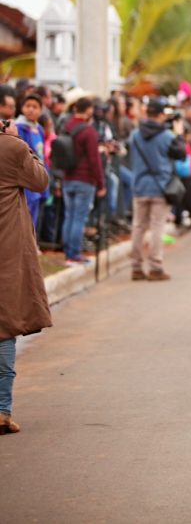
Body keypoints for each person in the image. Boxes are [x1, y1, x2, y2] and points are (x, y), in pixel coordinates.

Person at [0, 118, 53, 435]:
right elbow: (41, 182)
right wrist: (22, 142)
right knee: (5, 326)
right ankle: (2, 411)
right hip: (7, 247)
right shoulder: (12, 147)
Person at [128, 98, 187, 281]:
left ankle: (136, 267)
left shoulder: (135, 135)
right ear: (161, 115)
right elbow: (181, 154)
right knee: (156, 228)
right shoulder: (167, 136)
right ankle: (155, 268)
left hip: (139, 186)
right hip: (161, 187)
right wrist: (178, 134)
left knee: (138, 227)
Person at [61, 97, 106, 266]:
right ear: (88, 110)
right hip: (84, 179)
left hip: (67, 178)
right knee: (79, 217)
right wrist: (101, 184)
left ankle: (68, 253)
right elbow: (95, 161)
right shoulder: (89, 131)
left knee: (69, 216)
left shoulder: (66, 127)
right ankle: (74, 254)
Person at [14, 94, 49, 229]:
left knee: (34, 217)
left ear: (41, 110)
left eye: (35, 107)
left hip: (38, 176)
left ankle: (31, 246)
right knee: (24, 218)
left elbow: (42, 155)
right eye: (28, 106)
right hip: (25, 180)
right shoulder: (19, 128)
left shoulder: (39, 128)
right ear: (22, 108)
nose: (31, 110)